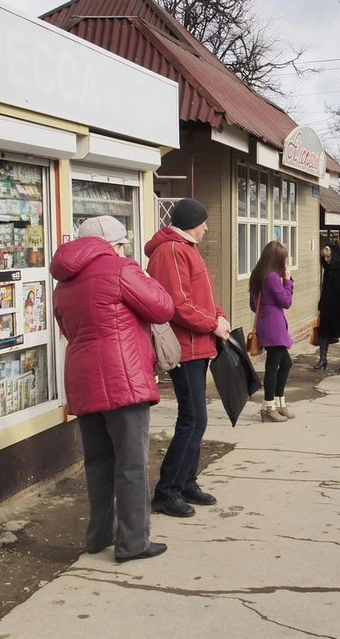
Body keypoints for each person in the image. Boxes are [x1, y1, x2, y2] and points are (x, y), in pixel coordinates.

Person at [51, 215, 175, 562]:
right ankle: (133, 542)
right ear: (115, 244)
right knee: (131, 463)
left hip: (82, 377)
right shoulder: (121, 269)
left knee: (98, 462)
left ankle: (98, 535)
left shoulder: (63, 281)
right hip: (123, 378)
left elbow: (67, 327)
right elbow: (163, 308)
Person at [146, 198, 229, 519]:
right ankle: (167, 491)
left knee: (196, 419)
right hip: (186, 347)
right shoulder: (171, 251)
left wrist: (218, 316)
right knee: (192, 419)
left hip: (198, 344)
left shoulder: (184, 248)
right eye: (205, 221)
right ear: (193, 221)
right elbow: (177, 305)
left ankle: (185, 482)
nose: (207, 227)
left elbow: (202, 296)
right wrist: (212, 324)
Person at [249, 241, 294, 423]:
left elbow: (253, 305)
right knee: (273, 366)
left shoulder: (257, 275)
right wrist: (288, 281)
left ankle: (278, 402)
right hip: (274, 325)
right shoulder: (273, 277)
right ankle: (268, 406)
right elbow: (286, 302)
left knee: (285, 364)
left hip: (265, 322)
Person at [315, 243, 340, 372]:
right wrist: (321, 304)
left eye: (328, 257)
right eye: (325, 257)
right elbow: (325, 287)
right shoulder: (328, 268)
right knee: (324, 333)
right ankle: (323, 359)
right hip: (328, 305)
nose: (326, 259)